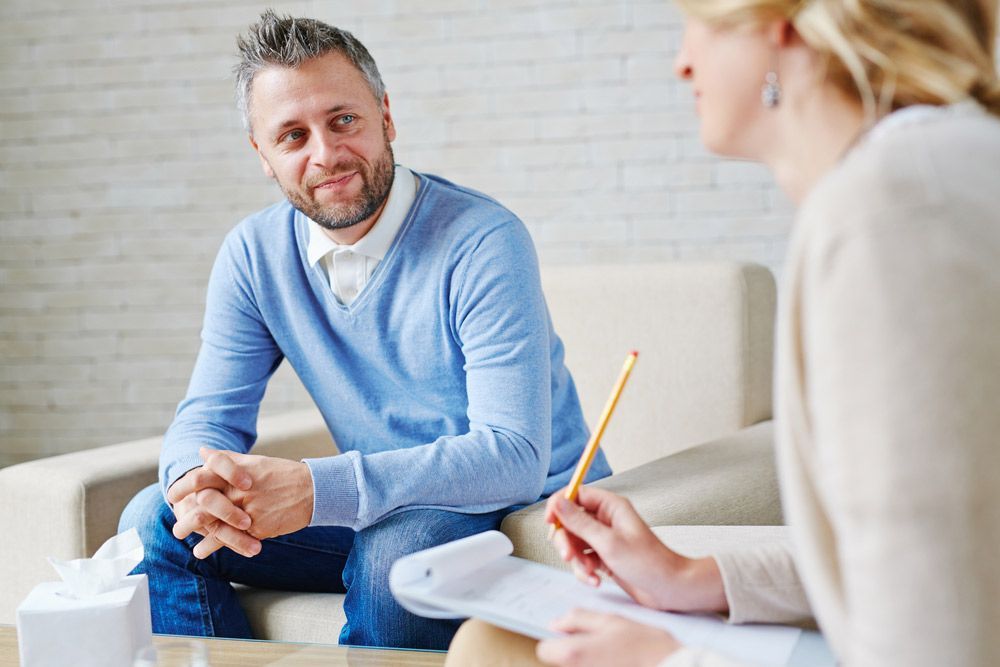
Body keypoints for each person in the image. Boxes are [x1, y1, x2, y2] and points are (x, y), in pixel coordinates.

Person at [447, 0, 1000, 665]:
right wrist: (689, 578)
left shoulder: (885, 212)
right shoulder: (938, 168)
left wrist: (668, 658)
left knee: (495, 649)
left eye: (698, 24)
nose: (682, 61)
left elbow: (934, 639)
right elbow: (927, 551)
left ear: (781, 24)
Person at [117, 10, 611, 650]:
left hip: (516, 503)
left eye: (343, 120)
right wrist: (197, 483)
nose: (326, 154)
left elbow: (512, 456)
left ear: (386, 116)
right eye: (292, 136)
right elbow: (206, 416)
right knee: (153, 522)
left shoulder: (484, 240)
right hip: (382, 502)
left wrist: (316, 489)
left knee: (396, 558)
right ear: (263, 156)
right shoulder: (253, 254)